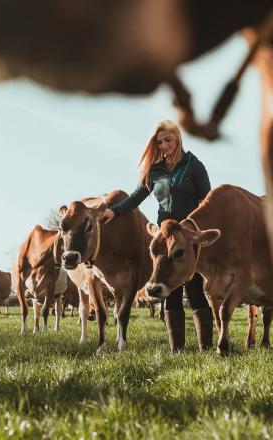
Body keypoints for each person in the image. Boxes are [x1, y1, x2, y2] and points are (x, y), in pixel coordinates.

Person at [103, 120, 213, 352]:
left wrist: (197, 232)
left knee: (194, 290)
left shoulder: (194, 166)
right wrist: (114, 210)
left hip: (186, 237)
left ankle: (206, 348)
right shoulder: (155, 171)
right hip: (165, 238)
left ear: (178, 138)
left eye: (168, 140)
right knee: (168, 290)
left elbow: (206, 202)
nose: (164, 145)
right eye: (159, 142)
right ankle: (177, 350)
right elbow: (136, 197)